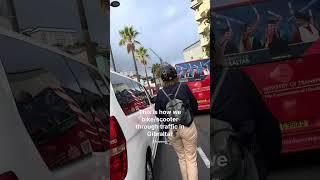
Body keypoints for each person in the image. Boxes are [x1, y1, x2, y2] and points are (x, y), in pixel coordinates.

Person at [211, 41, 282, 180]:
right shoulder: (234, 77)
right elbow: (267, 125)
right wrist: (263, 165)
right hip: (242, 166)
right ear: (215, 50)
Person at [155, 64, 198, 180]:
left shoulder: (160, 93)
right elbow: (195, 105)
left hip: (172, 130)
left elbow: (159, 114)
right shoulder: (183, 87)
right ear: (176, 76)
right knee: (191, 158)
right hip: (187, 126)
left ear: (162, 80)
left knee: (182, 158)